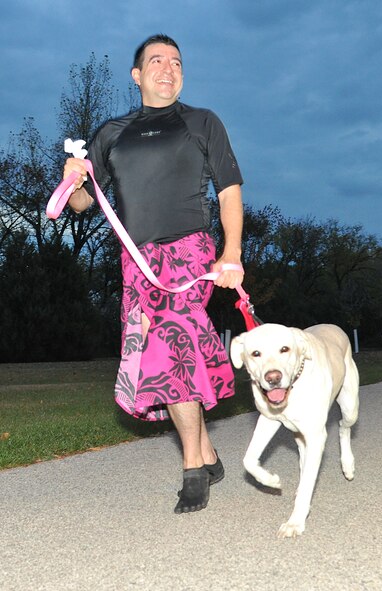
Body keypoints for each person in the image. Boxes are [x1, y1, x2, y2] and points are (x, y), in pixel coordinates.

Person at [62, 34, 244, 514]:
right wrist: (75, 178)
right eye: (156, 61)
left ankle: (191, 470)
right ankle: (207, 452)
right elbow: (82, 204)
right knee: (166, 354)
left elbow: (228, 191)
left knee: (172, 341)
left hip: (190, 254)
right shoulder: (111, 133)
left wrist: (231, 252)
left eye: (177, 62)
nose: (168, 68)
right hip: (136, 261)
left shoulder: (202, 122)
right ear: (137, 76)